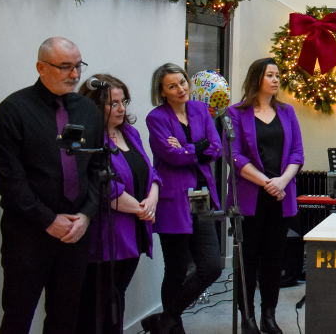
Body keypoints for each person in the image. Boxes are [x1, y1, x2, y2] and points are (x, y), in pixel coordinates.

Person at [0, 37, 102, 333]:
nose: (75, 74)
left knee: (65, 316)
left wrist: (86, 215)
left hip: (75, 233)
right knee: (18, 315)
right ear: (41, 67)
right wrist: (48, 220)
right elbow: (9, 179)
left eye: (78, 66)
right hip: (29, 234)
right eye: (65, 67)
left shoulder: (88, 111)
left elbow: (97, 168)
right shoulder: (14, 110)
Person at [76, 74, 162, 334]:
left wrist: (152, 200)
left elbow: (151, 173)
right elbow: (104, 188)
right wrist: (141, 209)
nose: (122, 108)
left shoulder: (130, 132)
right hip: (106, 238)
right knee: (96, 307)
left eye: (124, 101)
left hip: (134, 233)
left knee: (116, 300)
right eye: (113, 103)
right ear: (93, 105)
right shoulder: (89, 139)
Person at [142, 63, 224, 334]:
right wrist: (197, 149)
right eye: (172, 86)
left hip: (201, 196)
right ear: (162, 91)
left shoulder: (200, 109)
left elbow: (216, 147)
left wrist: (188, 148)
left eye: (183, 82)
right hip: (173, 200)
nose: (181, 89)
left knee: (212, 266)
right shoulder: (156, 118)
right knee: (177, 269)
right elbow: (170, 156)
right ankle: (174, 329)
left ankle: (165, 319)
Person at [226, 58, 305, 334]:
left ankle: (268, 316)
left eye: (278, 75)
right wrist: (265, 182)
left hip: (281, 196)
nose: (275, 79)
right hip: (250, 197)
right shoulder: (235, 112)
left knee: (273, 258)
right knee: (247, 258)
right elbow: (233, 155)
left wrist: (281, 181)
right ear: (256, 78)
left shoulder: (287, 111)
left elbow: (297, 153)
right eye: (270, 74)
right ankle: (247, 317)